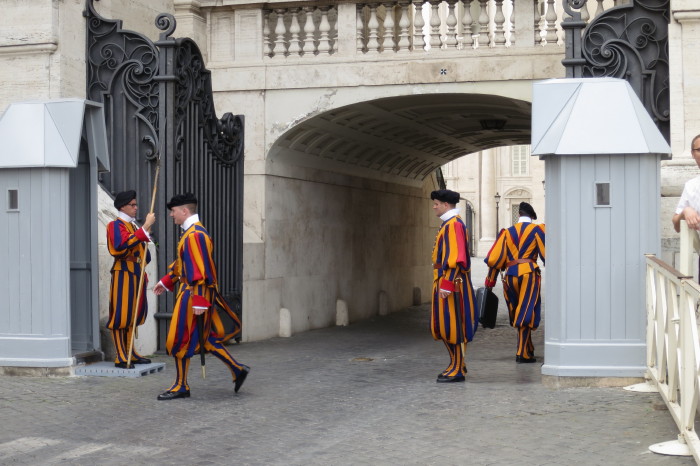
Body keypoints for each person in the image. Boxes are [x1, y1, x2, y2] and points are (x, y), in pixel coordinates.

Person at [153, 193, 249, 400]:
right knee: (205, 338)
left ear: (184, 211)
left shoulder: (194, 235)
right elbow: (183, 266)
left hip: (192, 295)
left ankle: (181, 386)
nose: (171, 215)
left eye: (173, 211)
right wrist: (166, 281)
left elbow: (199, 271)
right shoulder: (192, 233)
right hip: (194, 293)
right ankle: (237, 369)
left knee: (179, 338)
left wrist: (198, 300)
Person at [484, 202, 545, 363]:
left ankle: (528, 347)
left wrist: (490, 283)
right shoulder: (537, 229)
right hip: (529, 274)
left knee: (517, 311)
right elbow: (547, 255)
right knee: (526, 310)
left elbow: (495, 259)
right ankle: (522, 352)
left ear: (519, 215)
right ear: (532, 217)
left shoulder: (506, 232)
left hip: (510, 276)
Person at [430, 189, 478, 383]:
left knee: (454, 326)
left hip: (453, 283)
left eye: (436, 204)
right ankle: (455, 364)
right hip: (445, 281)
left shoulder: (453, 225)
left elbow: (455, 257)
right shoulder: (449, 224)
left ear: (445, 205)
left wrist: (447, 283)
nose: (434, 207)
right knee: (444, 326)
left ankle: (458, 368)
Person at [107, 190, 155, 369]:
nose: (136, 208)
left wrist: (143, 233)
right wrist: (145, 228)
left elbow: (144, 254)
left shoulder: (134, 227)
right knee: (122, 314)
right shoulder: (115, 225)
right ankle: (121, 355)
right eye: (132, 205)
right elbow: (119, 247)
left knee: (134, 314)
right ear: (122, 207)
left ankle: (130, 352)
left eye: (136, 205)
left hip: (137, 272)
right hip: (123, 272)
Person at [672, 134, 700, 233]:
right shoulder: (691, 186)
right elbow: (677, 226)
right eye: (699, 150)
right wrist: (685, 212)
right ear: (693, 154)